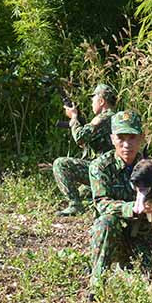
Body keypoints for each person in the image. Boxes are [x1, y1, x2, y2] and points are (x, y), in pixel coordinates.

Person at [87, 110, 152, 292]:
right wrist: (131, 208)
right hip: (114, 235)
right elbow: (101, 203)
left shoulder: (150, 168)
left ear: (141, 138)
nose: (126, 145)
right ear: (112, 139)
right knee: (104, 222)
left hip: (143, 235)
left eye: (132, 138)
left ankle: (124, 270)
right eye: (121, 138)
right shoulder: (100, 167)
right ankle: (97, 284)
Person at [52, 83, 117, 216]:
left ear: (101, 100)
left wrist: (74, 118)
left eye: (93, 99)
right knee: (83, 192)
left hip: (104, 170)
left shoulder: (103, 118)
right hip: (111, 170)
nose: (92, 102)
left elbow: (80, 138)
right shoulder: (114, 117)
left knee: (60, 164)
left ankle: (75, 205)